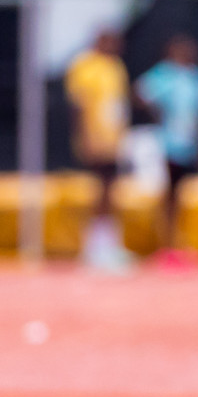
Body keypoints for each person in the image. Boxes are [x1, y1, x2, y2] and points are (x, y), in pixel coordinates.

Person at [65, 28, 134, 272]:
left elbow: (118, 105)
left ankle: (107, 244)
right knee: (100, 189)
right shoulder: (84, 66)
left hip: (113, 139)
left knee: (111, 190)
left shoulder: (115, 66)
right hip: (95, 138)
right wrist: (84, 137)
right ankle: (95, 246)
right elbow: (78, 105)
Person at [134, 33, 198, 266]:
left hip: (188, 145)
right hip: (166, 144)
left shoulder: (194, 76)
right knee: (168, 196)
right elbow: (140, 93)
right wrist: (157, 113)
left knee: (181, 195)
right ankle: (166, 245)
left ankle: (178, 244)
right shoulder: (164, 74)